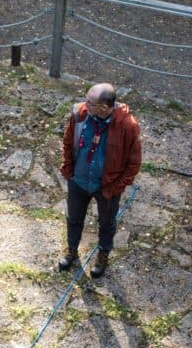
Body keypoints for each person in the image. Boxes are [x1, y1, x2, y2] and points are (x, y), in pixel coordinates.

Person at [57, 82, 142, 279]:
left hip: (107, 187)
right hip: (78, 180)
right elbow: (68, 142)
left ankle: (103, 255)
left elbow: (134, 162)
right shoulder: (80, 115)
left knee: (106, 222)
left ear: (104, 107)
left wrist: (117, 186)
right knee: (74, 218)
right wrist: (68, 169)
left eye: (90, 102)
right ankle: (71, 250)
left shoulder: (128, 126)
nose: (84, 104)